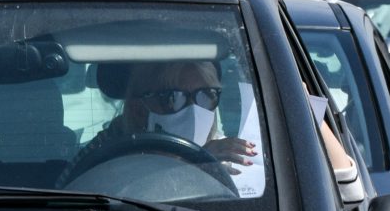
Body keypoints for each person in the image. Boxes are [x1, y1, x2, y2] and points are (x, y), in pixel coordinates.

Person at [73, 56, 265, 197]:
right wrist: (193, 165)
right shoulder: (101, 157)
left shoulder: (232, 155)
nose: (194, 110)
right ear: (139, 109)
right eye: (173, 97)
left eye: (207, 94)